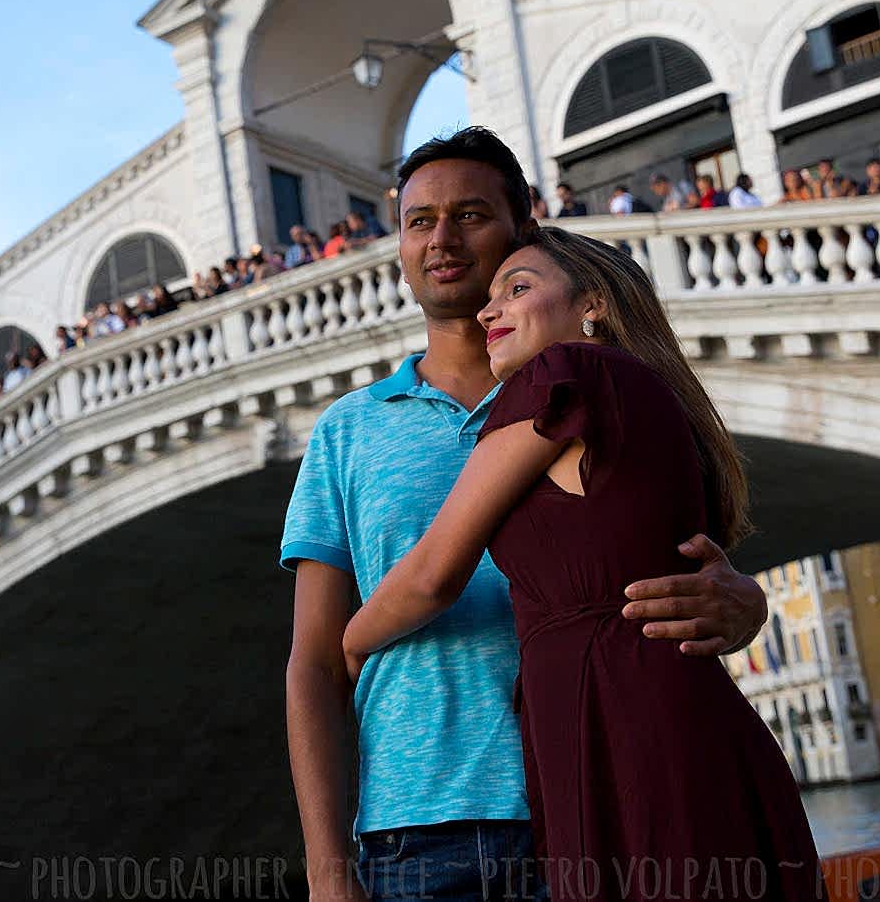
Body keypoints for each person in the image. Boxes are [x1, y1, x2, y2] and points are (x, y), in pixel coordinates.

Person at [281, 127, 769, 902]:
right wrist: (326, 870)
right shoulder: (349, 431)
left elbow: (663, 549)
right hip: (422, 827)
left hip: (595, 798)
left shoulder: (591, 391)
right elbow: (312, 662)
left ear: (524, 227)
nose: (441, 239)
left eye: (470, 215)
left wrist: (747, 600)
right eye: (418, 221)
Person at [341, 224, 823, 902]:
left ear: (592, 302)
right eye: (491, 296)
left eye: (519, 288)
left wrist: (352, 642)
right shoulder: (649, 396)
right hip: (668, 714)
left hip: (618, 724)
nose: (488, 309)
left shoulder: (563, 373)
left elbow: (432, 573)